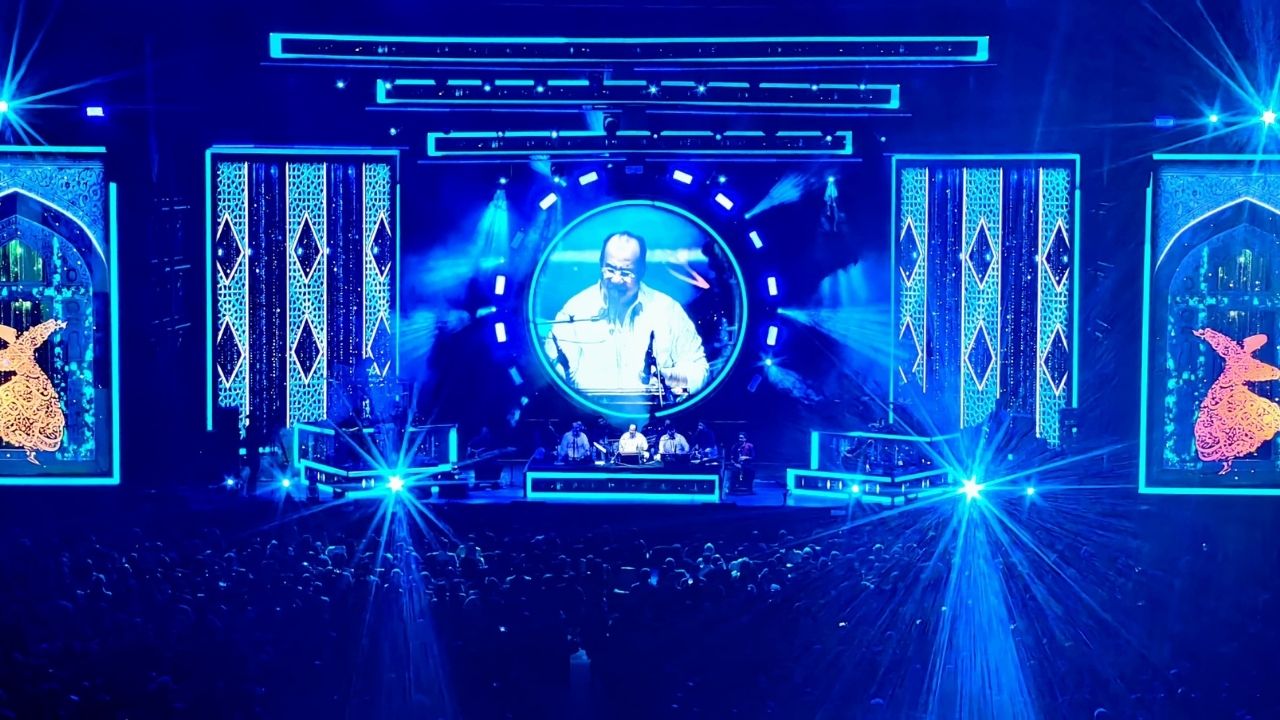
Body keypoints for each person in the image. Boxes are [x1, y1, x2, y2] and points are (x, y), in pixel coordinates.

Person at [543, 231, 709, 395]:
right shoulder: (574, 311)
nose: (616, 279)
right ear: (600, 264)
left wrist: (670, 378)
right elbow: (554, 375)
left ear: (642, 271)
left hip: (654, 411)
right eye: (610, 269)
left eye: (625, 273)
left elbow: (699, 370)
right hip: (589, 412)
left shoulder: (668, 310)